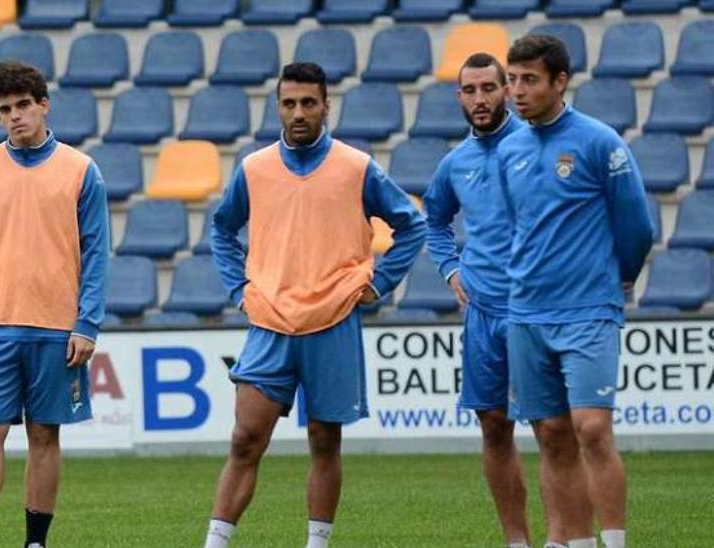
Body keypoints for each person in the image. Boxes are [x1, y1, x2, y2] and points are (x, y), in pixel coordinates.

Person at [203, 62, 426, 548]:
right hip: (270, 323)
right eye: (289, 103)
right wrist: (238, 290)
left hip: (334, 321)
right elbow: (221, 229)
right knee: (245, 439)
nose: (299, 112)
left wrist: (379, 282)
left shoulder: (357, 166)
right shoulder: (254, 168)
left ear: (327, 105)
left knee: (325, 441)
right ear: (278, 107)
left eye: (308, 103)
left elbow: (412, 225)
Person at [0, 60, 110, 548]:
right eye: (5, 110)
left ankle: (35, 542)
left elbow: (98, 253)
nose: (15, 116)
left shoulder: (82, 170)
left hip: (58, 328)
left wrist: (88, 324)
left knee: (44, 437)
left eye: (23, 106)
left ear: (43, 105)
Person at [498, 35, 653, 548]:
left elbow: (637, 226)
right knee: (552, 436)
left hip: (588, 308)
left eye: (529, 80)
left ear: (560, 82)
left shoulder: (599, 141)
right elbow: (516, 228)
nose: (516, 92)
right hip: (526, 312)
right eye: (512, 80)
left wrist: (619, 276)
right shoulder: (509, 149)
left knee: (591, 428)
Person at [422, 52, 564, 548]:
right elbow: (434, 221)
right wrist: (450, 268)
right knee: (494, 426)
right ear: (458, 97)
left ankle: (561, 539)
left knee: (551, 430)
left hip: (536, 308)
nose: (480, 99)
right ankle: (517, 542)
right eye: (470, 90)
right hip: (482, 313)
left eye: (489, 88)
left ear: (507, 90)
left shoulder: (536, 145)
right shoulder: (454, 162)